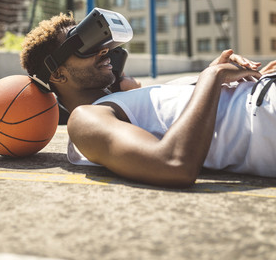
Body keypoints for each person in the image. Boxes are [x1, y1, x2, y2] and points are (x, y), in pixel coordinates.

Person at [20, 11, 276, 188]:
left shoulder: (129, 100)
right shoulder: (86, 118)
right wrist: (213, 76)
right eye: (84, 45)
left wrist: (245, 78)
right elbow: (173, 164)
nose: (105, 48)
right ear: (58, 74)